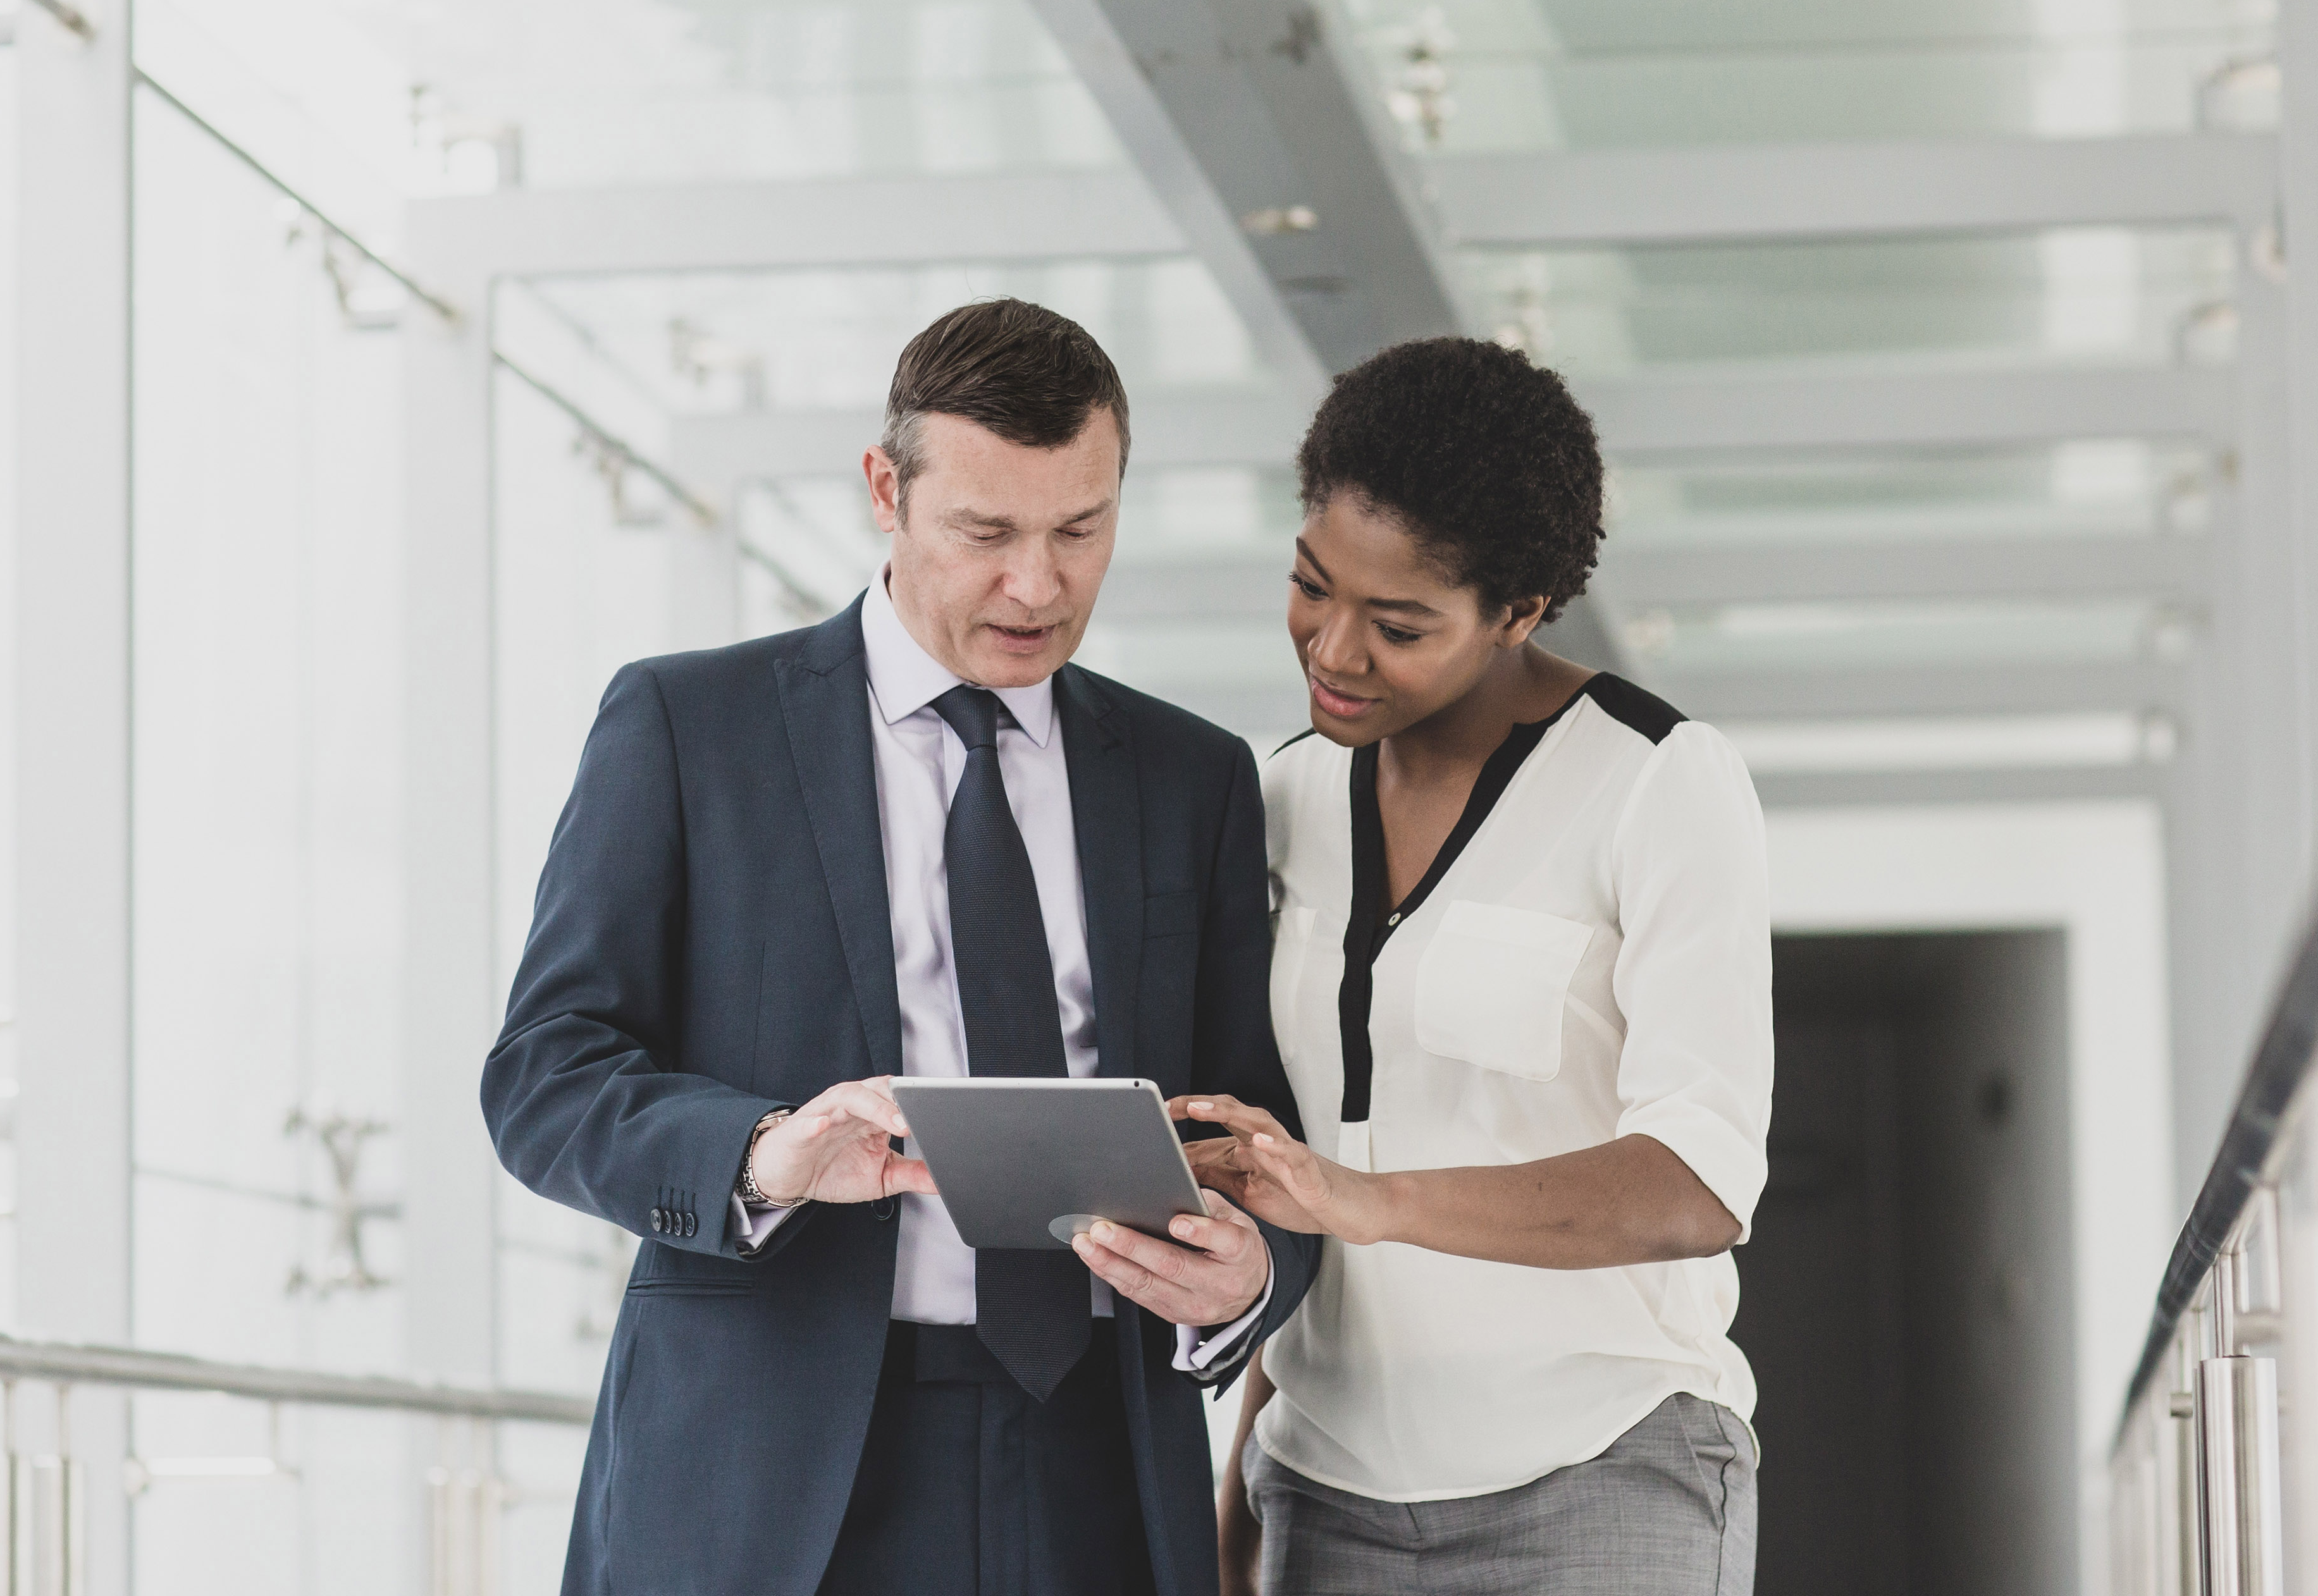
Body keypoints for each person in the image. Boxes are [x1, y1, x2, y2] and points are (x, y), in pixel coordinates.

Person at [482, 298, 1321, 1596]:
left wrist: (1250, 1272)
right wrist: (767, 1151)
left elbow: (1258, 1126)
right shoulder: (689, 727)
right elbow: (544, 1075)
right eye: (985, 532)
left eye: (1079, 530)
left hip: (1098, 1457)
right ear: (886, 488)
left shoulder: (1189, 776)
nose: (1036, 585)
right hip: (775, 1455)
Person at [1182, 338, 1772, 1596]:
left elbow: (1697, 1181)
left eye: (1398, 625)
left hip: (1602, 1471)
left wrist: (1372, 1199)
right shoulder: (1281, 798)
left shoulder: (1659, 783)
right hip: (1322, 1491)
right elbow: (1295, 1161)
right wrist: (1237, 1506)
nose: (1334, 650)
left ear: (1518, 612)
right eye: (1310, 584)